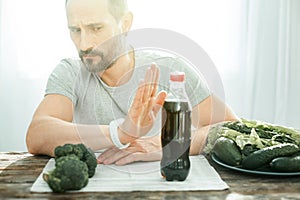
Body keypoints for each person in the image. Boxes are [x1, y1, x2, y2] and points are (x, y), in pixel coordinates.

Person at [26, 0, 238, 165]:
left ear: (125, 24)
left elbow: (232, 128)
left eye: (96, 28)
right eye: (75, 30)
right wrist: (121, 133)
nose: (84, 44)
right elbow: (37, 135)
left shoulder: (171, 68)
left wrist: (166, 144)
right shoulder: (70, 72)